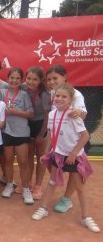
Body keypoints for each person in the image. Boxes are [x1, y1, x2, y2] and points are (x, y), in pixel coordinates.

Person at [31, 84, 100, 233]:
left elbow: (85, 136)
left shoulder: (73, 115)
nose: (60, 99)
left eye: (64, 96)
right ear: (53, 97)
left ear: (70, 100)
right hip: (58, 155)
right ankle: (43, 208)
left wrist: (74, 153)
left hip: (74, 157)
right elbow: (50, 134)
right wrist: (47, 151)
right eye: (57, 96)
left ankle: (86, 217)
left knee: (80, 188)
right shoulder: (51, 114)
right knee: (52, 182)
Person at [45, 65, 88, 213]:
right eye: (49, 79)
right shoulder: (53, 93)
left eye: (55, 78)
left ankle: (67, 199)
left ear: (65, 77)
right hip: (60, 144)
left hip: (74, 143)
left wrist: (78, 111)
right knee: (56, 172)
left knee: (74, 174)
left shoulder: (76, 94)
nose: (51, 81)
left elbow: (82, 114)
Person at [0, 68, 34, 205]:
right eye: (11, 78)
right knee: (8, 160)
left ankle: (26, 189)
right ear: (7, 79)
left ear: (21, 81)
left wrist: (16, 112)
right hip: (6, 132)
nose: (14, 80)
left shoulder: (24, 94)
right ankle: (9, 184)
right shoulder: (2, 92)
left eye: (17, 78)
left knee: (23, 162)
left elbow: (31, 113)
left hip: (21, 133)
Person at [23, 67, 50, 200]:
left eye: (35, 79)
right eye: (29, 78)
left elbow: (47, 116)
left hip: (40, 125)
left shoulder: (44, 94)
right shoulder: (23, 88)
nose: (31, 82)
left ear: (41, 80)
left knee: (40, 157)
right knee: (28, 155)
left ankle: (38, 185)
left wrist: (41, 134)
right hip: (27, 125)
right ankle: (28, 183)